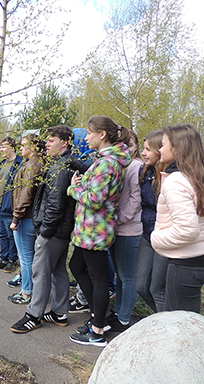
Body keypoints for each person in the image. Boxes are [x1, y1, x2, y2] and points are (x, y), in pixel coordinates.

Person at [67, 116, 131, 347]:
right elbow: (92, 187)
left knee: (99, 278)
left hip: (96, 231)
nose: (85, 137)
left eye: (89, 132)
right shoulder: (103, 160)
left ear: (102, 134)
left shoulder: (107, 163)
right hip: (87, 229)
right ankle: (100, 317)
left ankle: (97, 331)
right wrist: (82, 182)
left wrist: (73, 189)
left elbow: (94, 199)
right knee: (77, 267)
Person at [10, 125, 76, 332]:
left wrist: (45, 232)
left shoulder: (60, 168)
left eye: (51, 141)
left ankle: (34, 315)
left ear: (63, 143)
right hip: (61, 231)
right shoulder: (61, 164)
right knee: (58, 270)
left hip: (53, 232)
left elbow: (55, 206)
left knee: (40, 271)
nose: (46, 144)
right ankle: (59, 312)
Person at [151, 124, 204, 313]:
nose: (160, 149)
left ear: (177, 148)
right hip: (203, 257)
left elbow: (187, 230)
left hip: (186, 264)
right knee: (189, 317)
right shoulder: (199, 176)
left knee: (181, 322)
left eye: (163, 145)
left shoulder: (176, 181)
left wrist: (156, 238)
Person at [107, 130, 143, 332]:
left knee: (128, 277)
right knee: (120, 276)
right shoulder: (122, 166)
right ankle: (119, 313)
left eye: (128, 145)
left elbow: (136, 200)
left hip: (130, 231)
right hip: (118, 230)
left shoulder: (136, 167)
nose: (125, 150)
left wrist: (119, 219)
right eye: (120, 146)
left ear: (135, 146)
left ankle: (124, 318)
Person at [7, 133, 44, 304]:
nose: (21, 148)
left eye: (23, 145)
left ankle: (27, 292)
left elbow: (26, 194)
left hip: (25, 218)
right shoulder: (38, 163)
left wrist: (16, 218)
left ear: (33, 147)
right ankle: (33, 291)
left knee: (26, 258)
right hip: (31, 217)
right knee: (32, 258)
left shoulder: (32, 166)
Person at [135, 130, 168, 313]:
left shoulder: (170, 176)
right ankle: (161, 318)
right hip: (147, 235)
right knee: (140, 285)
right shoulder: (144, 171)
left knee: (158, 289)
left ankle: (167, 328)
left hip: (164, 236)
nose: (143, 153)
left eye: (148, 149)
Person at [0, 137, 23, 273]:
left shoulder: (20, 163)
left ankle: (12, 260)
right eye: (0, 147)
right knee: (2, 234)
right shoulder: (2, 164)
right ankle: (3, 259)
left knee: (11, 235)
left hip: (9, 205)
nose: (1, 149)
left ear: (12, 147)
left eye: (4, 146)